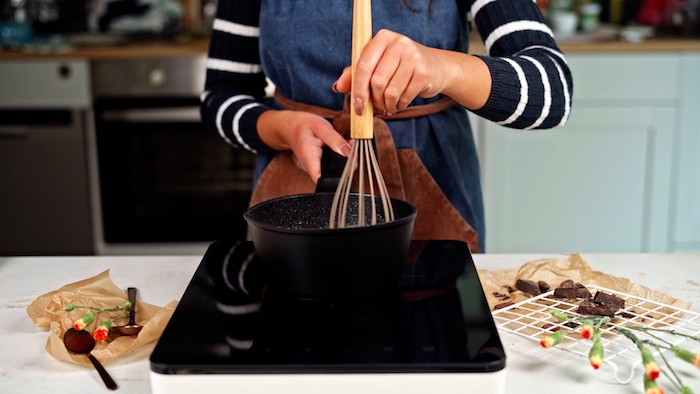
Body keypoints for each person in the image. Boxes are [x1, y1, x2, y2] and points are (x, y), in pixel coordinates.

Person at [200, 0, 573, 253]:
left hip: (434, 188)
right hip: (291, 186)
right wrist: (281, 127)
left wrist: (445, 69)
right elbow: (221, 96)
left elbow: (552, 92)